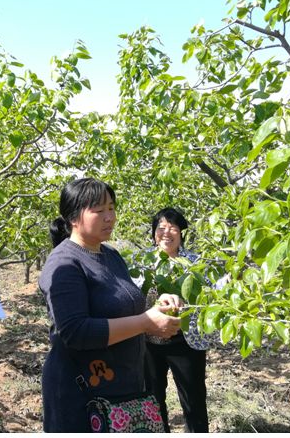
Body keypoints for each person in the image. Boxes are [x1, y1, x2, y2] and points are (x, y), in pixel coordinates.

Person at [38, 178, 184, 432]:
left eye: (112, 208)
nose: (110, 217)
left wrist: (157, 306)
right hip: (82, 398)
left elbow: (124, 305)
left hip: (123, 390)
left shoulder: (111, 256)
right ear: (74, 217)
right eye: (99, 210)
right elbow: (74, 331)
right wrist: (145, 323)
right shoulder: (64, 263)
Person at [136, 207, 226, 433]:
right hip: (149, 342)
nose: (167, 233)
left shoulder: (195, 262)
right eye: (161, 228)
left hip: (186, 342)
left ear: (181, 233)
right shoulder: (141, 263)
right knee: (153, 400)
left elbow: (215, 292)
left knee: (193, 400)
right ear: (153, 232)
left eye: (173, 228)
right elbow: (131, 297)